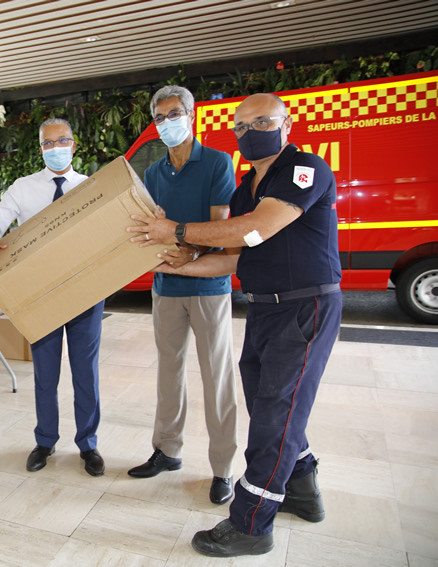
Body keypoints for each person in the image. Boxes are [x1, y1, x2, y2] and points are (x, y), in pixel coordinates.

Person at [128, 93, 342, 557]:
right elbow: (229, 260)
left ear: (287, 123)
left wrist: (178, 233)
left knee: (274, 417)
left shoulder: (303, 169)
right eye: (241, 126)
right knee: (272, 406)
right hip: (265, 307)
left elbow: (255, 230)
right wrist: (176, 265)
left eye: (261, 121)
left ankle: (251, 522)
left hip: (305, 308)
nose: (250, 132)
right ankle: (302, 490)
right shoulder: (247, 187)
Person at [126, 85, 238, 507]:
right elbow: (148, 227)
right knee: (168, 372)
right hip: (167, 286)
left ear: (191, 115)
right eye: (160, 117)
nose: (167, 123)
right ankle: (167, 449)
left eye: (175, 114)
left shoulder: (216, 164)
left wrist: (190, 248)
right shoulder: (154, 173)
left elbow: (221, 227)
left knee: (217, 375)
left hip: (208, 285)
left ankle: (223, 468)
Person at [0, 117, 105, 477]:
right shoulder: (24, 188)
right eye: (48, 144)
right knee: (45, 373)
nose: (55, 148)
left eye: (61, 141)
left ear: (74, 144)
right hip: (41, 294)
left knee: (86, 372)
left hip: (84, 292)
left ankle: (88, 444)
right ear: (40, 149)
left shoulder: (91, 187)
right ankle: (45, 440)